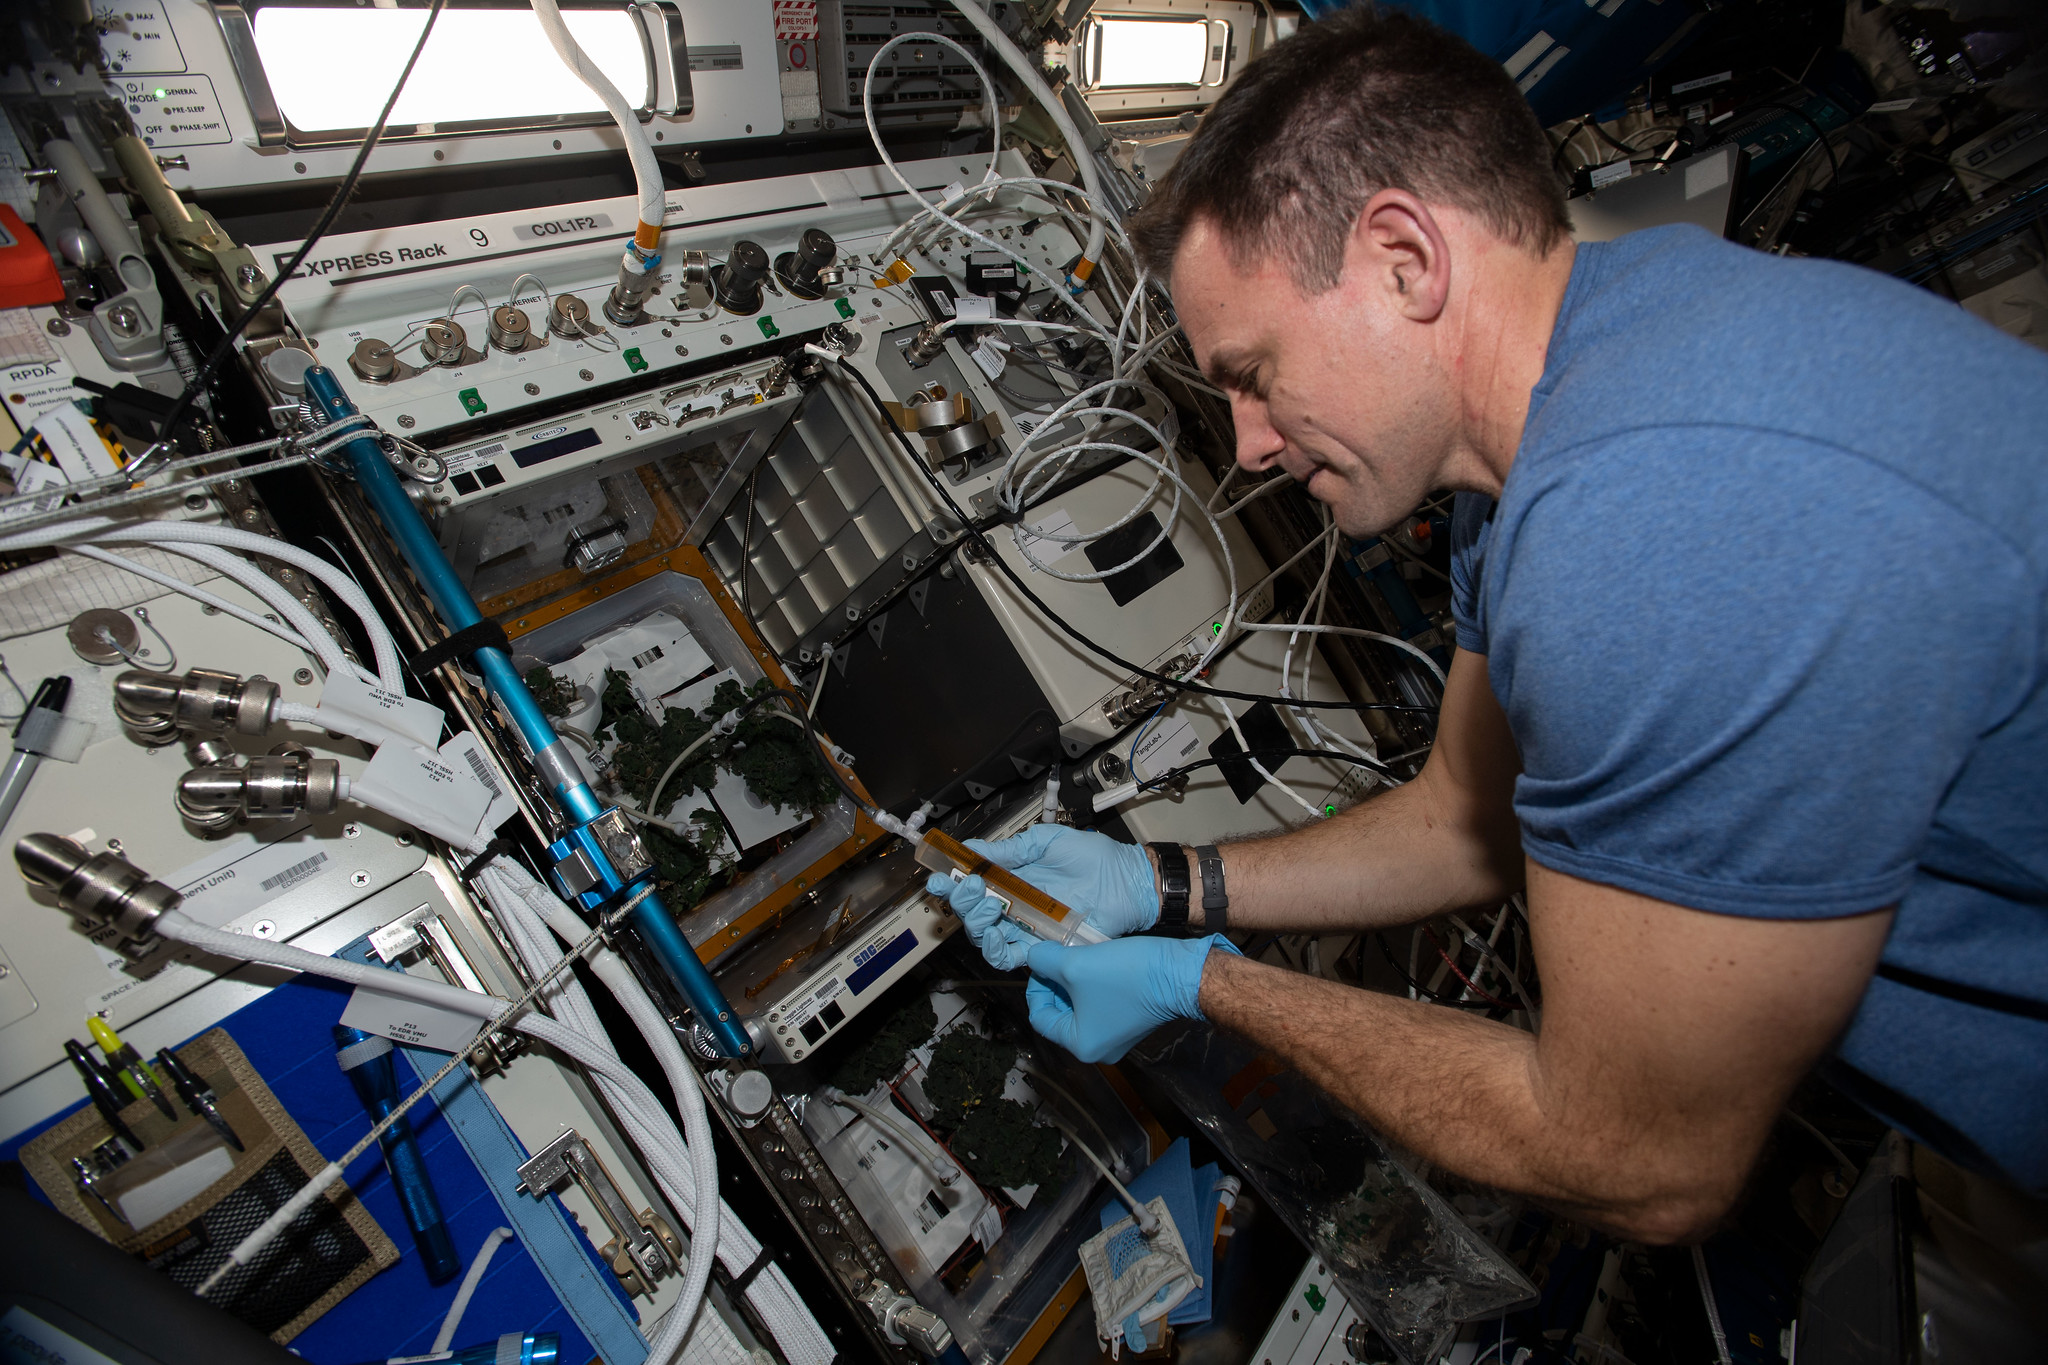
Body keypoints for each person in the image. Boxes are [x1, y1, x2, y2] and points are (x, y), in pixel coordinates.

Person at [929, 7, 2048, 1244]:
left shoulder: (1642, 520)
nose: (1244, 447)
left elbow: (1638, 1159)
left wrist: (1200, 987)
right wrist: (1167, 885)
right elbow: (1469, 810)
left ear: (1404, 260)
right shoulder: (1592, 375)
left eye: (1250, 374)